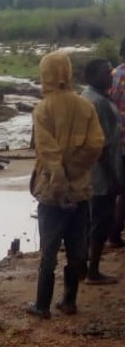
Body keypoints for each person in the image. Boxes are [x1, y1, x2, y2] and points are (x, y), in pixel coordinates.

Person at [27, 51, 105, 319]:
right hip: (81, 190)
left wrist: (60, 186)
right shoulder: (86, 106)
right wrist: (75, 170)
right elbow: (96, 145)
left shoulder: (43, 109)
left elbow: (48, 154)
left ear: (45, 74)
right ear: (68, 72)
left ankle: (42, 306)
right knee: (76, 250)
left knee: (48, 252)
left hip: (52, 194)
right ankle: (69, 301)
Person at [81, 58, 122, 284]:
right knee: (100, 221)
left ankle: (83, 267)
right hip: (101, 174)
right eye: (107, 73)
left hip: (90, 172)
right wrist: (114, 178)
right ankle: (93, 272)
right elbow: (103, 146)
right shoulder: (98, 103)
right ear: (93, 77)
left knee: (90, 220)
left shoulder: (90, 97)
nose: (111, 76)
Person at [109, 50, 125, 248]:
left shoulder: (110, 75)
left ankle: (109, 231)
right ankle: (115, 231)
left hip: (111, 142)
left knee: (114, 189)